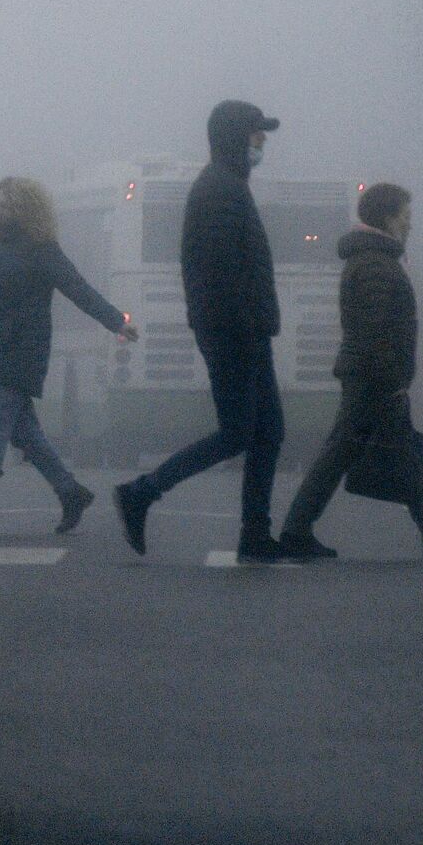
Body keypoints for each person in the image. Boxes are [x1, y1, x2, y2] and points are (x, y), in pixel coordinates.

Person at [115, 99, 290, 561]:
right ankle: (142, 492)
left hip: (244, 330)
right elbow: (218, 274)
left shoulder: (228, 186)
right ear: (236, 137)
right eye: (257, 134)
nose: (263, 141)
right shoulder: (219, 191)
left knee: (269, 432)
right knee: (238, 432)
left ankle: (255, 534)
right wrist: (247, 328)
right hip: (235, 333)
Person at [274, 184, 423, 561]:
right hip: (374, 377)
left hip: (369, 374)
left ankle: (299, 529)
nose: (410, 223)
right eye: (406, 215)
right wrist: (392, 381)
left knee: (372, 453)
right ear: (388, 218)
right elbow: (375, 329)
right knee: (355, 453)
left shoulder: (374, 259)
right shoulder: (376, 264)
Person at [0, 177, 139, 536]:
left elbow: (77, 288)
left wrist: (116, 322)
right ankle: (71, 493)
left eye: (8, 205)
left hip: (24, 351)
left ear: (25, 210)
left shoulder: (41, 248)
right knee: (27, 433)